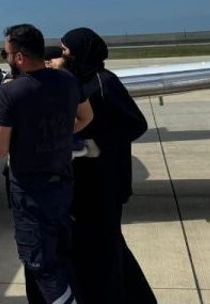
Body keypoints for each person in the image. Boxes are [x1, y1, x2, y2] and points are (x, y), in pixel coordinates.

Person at [0, 24, 93, 304]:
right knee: (62, 258)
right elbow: (86, 117)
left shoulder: (11, 94)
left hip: (30, 193)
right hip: (63, 184)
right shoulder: (68, 81)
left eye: (7, 53)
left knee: (41, 265)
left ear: (20, 57)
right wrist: (57, 133)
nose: (7, 58)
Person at [60, 27, 156, 304]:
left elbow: (136, 124)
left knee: (107, 251)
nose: (62, 54)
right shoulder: (83, 79)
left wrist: (96, 143)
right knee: (108, 247)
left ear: (80, 52)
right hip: (88, 182)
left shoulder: (105, 82)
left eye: (66, 50)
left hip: (105, 183)